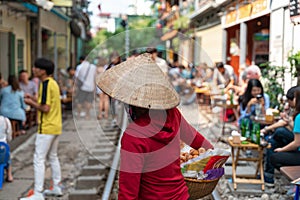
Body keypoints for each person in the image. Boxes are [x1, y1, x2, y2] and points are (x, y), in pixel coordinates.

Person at [97, 53, 214, 200]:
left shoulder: (134, 135)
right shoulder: (173, 114)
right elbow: (203, 144)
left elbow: (128, 192)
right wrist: (214, 161)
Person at [21, 58, 63, 200]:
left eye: (36, 68)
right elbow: (46, 102)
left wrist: (30, 102)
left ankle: (38, 193)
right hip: (56, 125)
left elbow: (45, 108)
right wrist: (33, 97)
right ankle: (57, 186)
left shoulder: (45, 84)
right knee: (52, 157)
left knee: (39, 159)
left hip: (46, 127)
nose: (33, 69)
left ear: (42, 71)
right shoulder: (53, 84)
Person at [261, 86, 299, 186]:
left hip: (297, 145)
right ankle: (268, 176)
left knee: (279, 133)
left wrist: (282, 149)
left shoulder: (298, 115)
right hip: (294, 141)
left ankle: (268, 176)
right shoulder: (294, 112)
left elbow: (297, 141)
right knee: (273, 141)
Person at [0, 115, 13, 182]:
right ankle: (9, 175)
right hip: (3, 150)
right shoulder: (5, 121)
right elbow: (9, 138)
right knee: (8, 156)